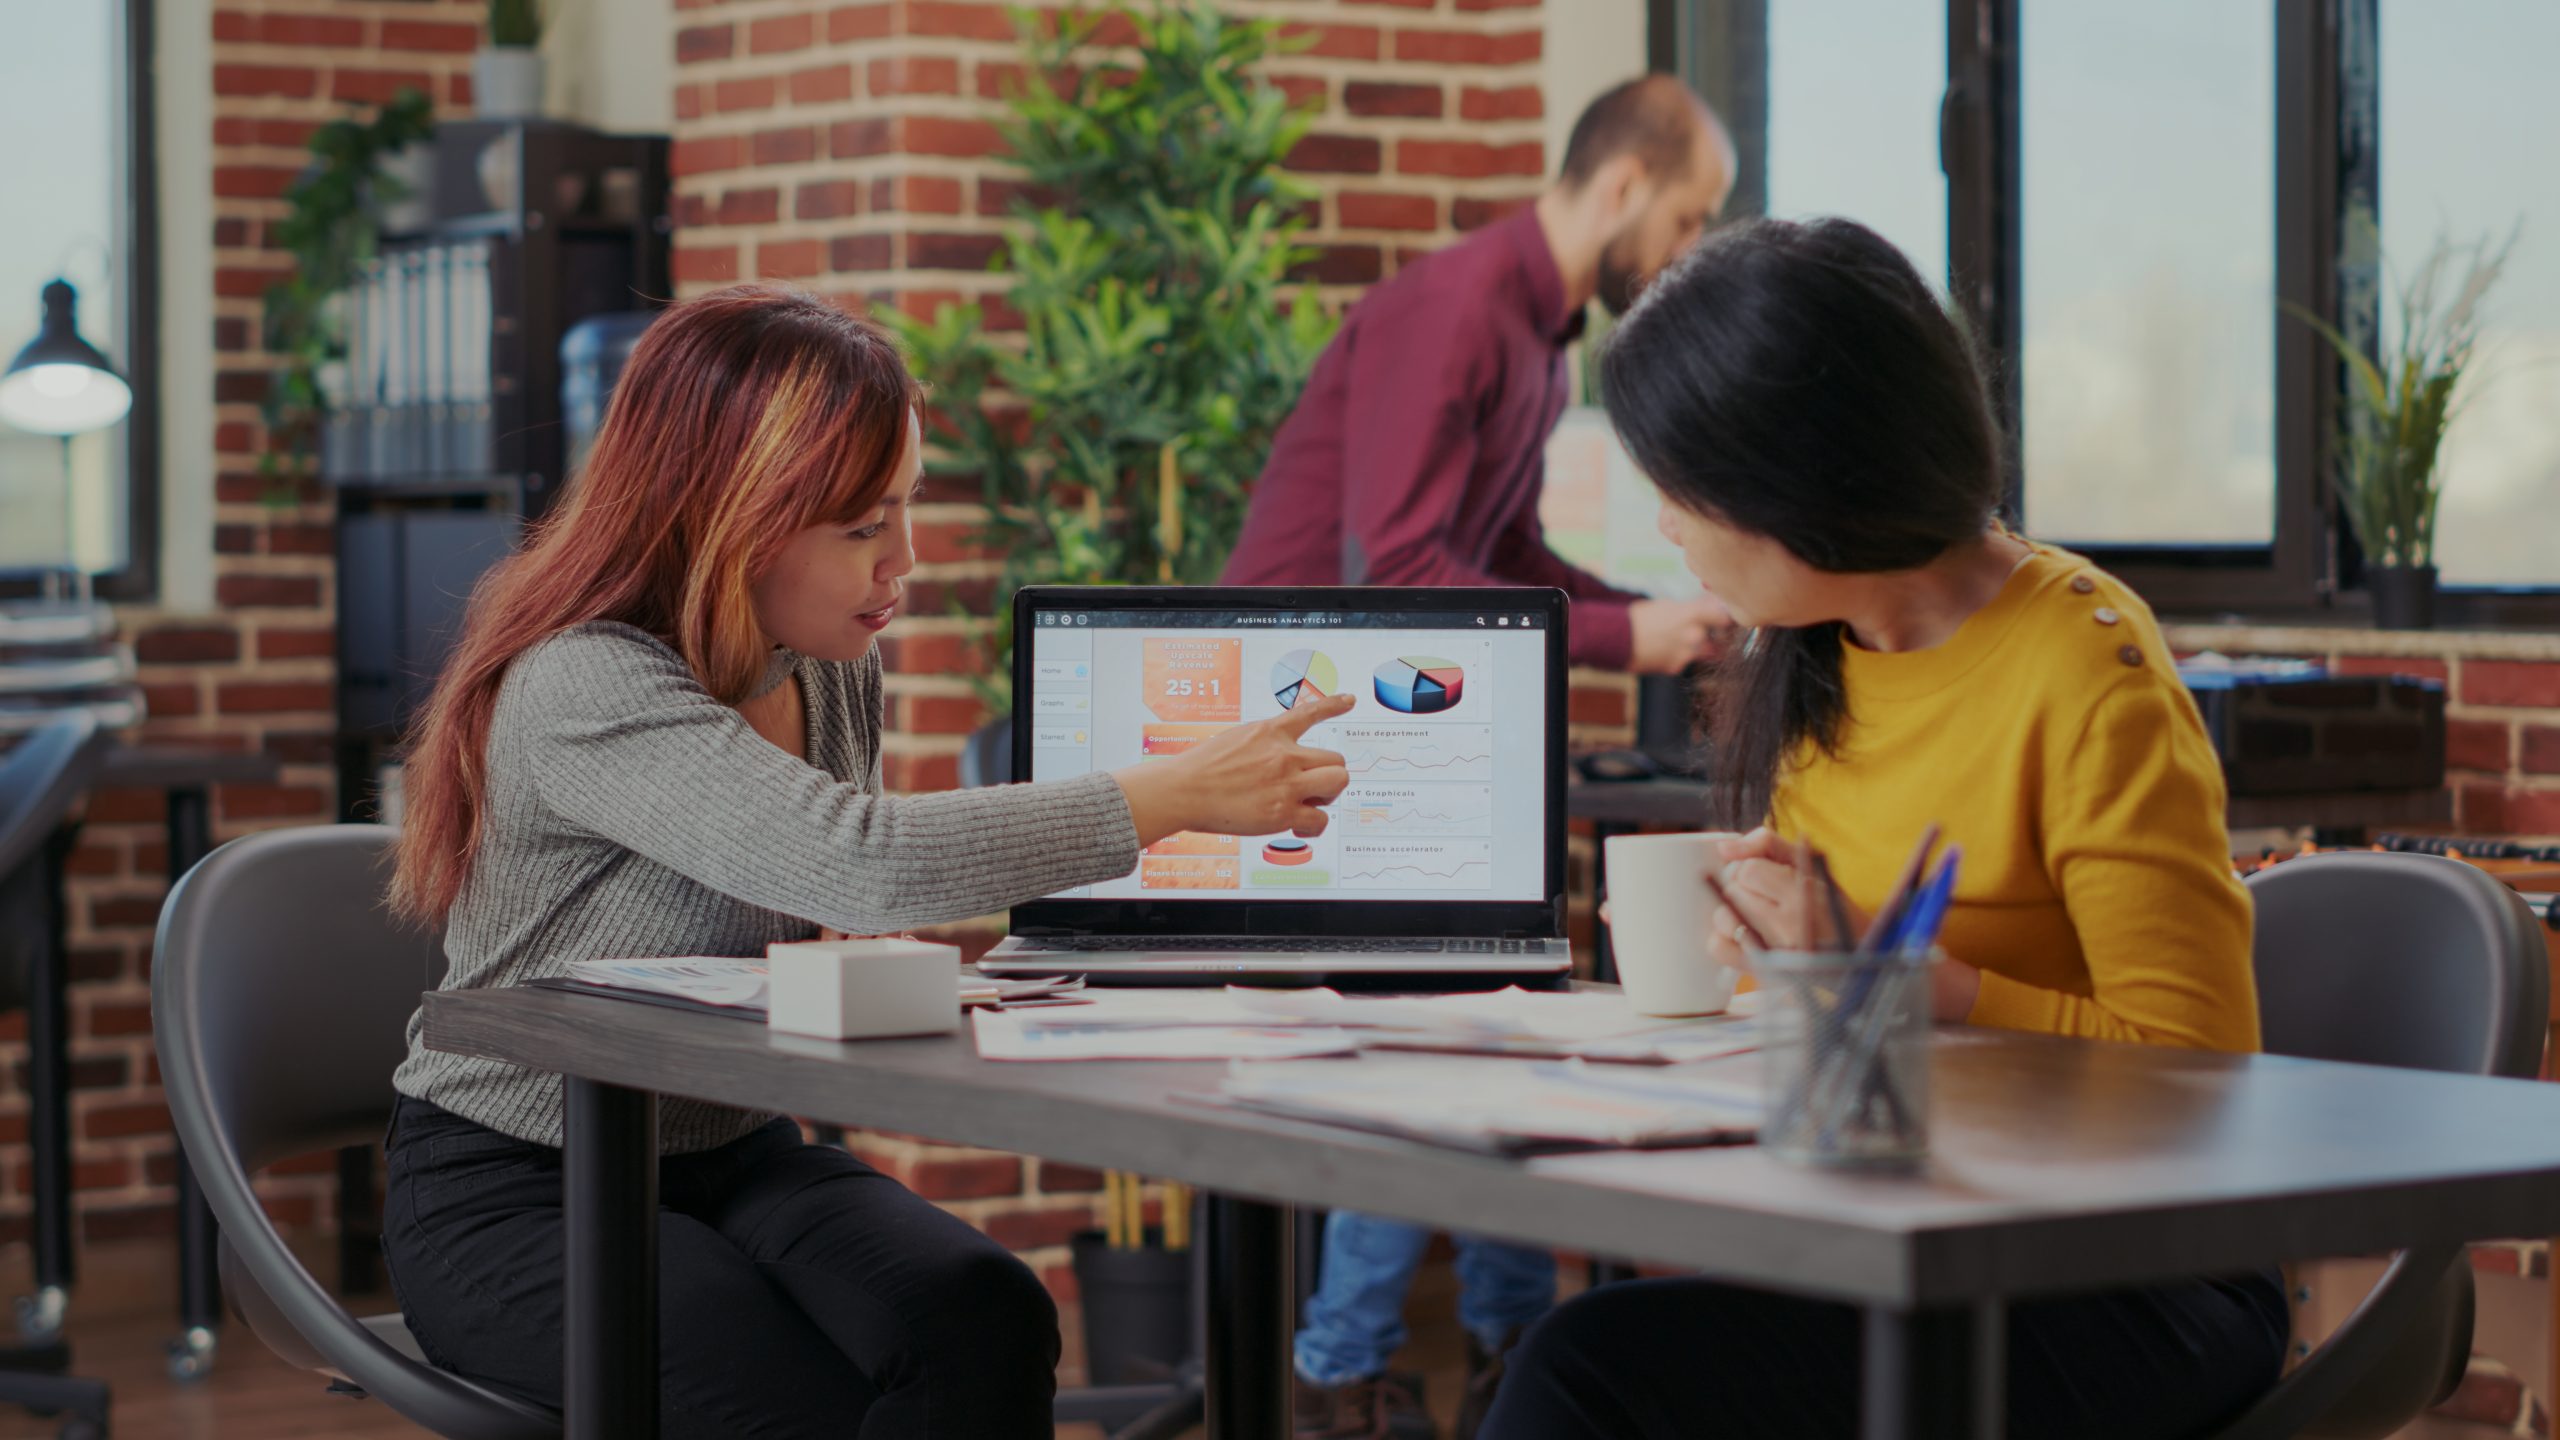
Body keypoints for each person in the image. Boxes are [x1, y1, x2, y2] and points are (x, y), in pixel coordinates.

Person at [380, 285, 1356, 1440]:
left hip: (729, 1147)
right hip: (517, 1178)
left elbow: (828, 916)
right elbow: (859, 865)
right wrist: (1173, 796)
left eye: (905, 509)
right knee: (789, 1390)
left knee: (982, 1312)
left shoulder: (830, 666)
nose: (904, 561)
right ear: (729, 514)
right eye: (860, 528)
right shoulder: (583, 682)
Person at [1473, 219, 2289, 1439]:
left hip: (2134, 1269)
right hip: (1907, 1221)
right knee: (1580, 1366)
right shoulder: (1819, 658)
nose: (1670, 526)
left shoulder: (2086, 668)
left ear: (1795, 479)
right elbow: (1829, 1029)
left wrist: (1905, 980)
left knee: (1586, 1379)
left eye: (1681, 484)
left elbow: (2200, 1077)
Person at [1232, 75, 1742, 1440]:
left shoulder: (1539, 339)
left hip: (1423, 724)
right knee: (1432, 1061)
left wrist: (1643, 620)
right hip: (1317, 728)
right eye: (1691, 217)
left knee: (1510, 1034)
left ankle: (1522, 1363)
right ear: (1625, 185)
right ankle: (1336, 1378)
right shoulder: (1457, 308)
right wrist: (1620, 641)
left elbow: (1500, 561)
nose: (1689, 253)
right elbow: (1395, 568)